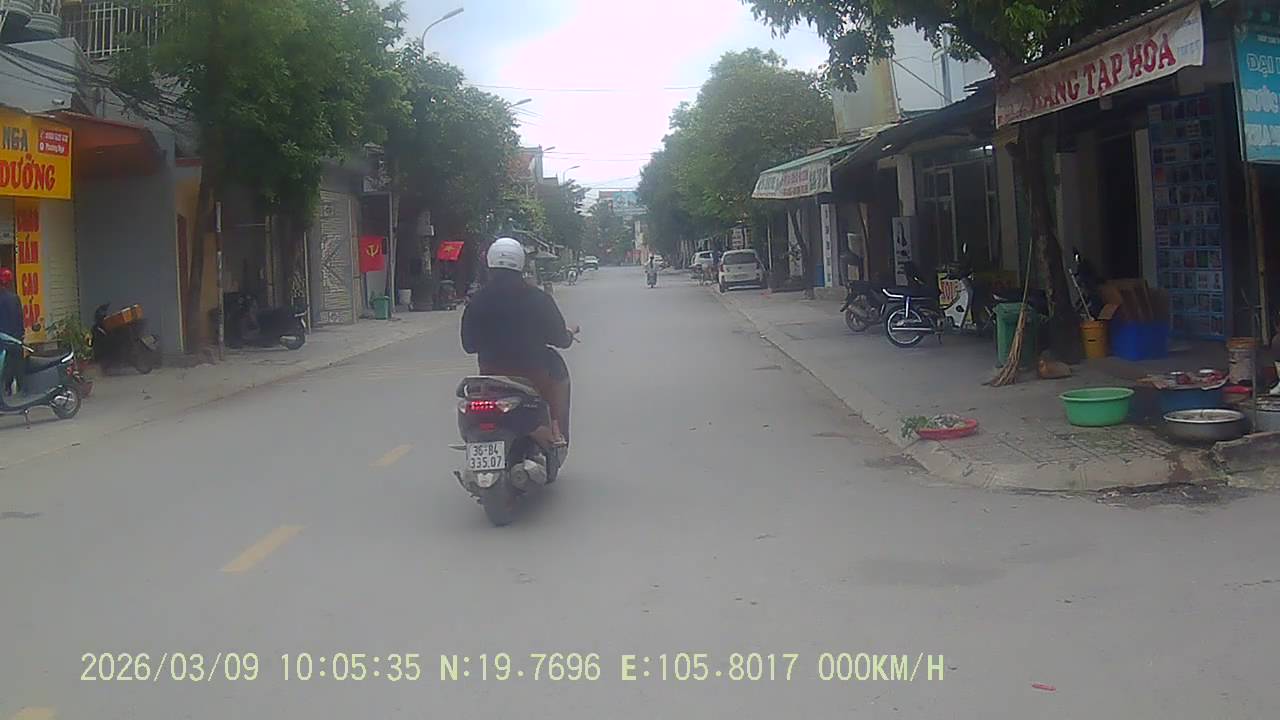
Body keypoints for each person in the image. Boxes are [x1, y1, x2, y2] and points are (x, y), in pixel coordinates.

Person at [461, 238, 576, 446]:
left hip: (491, 377)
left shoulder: (477, 300)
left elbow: (468, 345)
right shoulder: (538, 298)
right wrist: (568, 333)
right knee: (559, 371)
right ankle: (556, 430)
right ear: (521, 264)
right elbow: (559, 339)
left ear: (490, 264)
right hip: (534, 375)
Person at [0, 268, 24, 396]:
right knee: (18, 366)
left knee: (5, 368)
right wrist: (20, 337)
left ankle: (6, 390)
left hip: (3, 341)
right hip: (15, 339)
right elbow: (19, 319)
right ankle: (22, 390)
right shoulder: (14, 298)